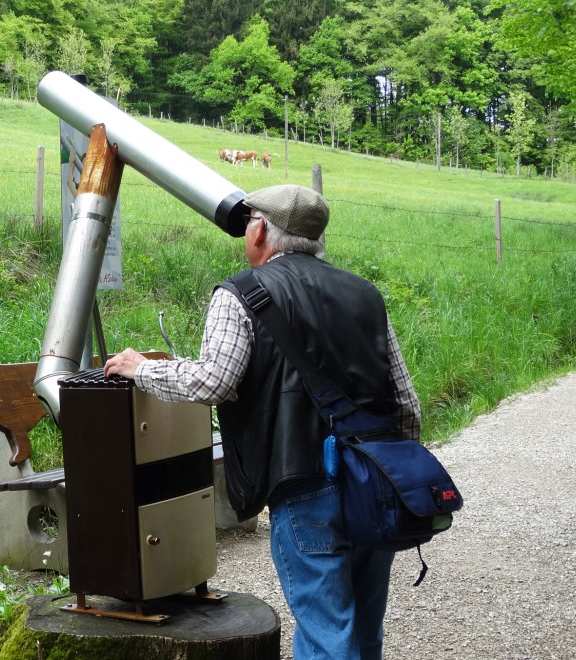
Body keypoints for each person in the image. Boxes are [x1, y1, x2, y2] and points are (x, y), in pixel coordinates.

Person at [103, 184, 422, 660]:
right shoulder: (365, 294)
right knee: (364, 631)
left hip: (302, 483)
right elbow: (406, 405)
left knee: (325, 632)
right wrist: (388, 471)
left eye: (249, 219)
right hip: (374, 480)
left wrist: (140, 368)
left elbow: (214, 383)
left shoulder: (240, 294)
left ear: (259, 231)